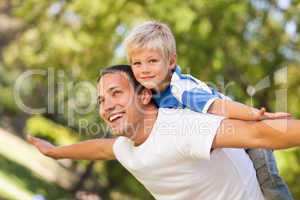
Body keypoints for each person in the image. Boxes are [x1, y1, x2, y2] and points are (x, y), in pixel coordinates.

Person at [28, 65, 300, 200]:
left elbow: (259, 136)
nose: (107, 105)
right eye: (101, 100)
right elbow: (100, 148)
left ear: (145, 95)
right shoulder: (127, 145)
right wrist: (55, 152)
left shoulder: (180, 127)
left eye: (116, 93)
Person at [123, 21, 293, 199]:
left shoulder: (180, 89)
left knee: (271, 186)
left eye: (152, 61)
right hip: (228, 144)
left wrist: (256, 114)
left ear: (171, 61)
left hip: (247, 131)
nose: (144, 69)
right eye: (137, 63)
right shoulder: (149, 92)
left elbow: (218, 106)